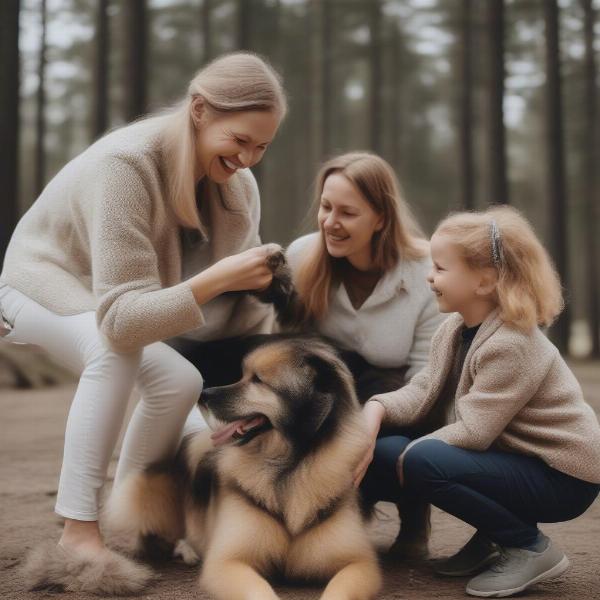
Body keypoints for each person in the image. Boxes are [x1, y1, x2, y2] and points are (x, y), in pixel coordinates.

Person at [0, 52, 287, 594]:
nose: (249, 159)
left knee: (179, 380)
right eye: (240, 139)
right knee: (114, 351)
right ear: (200, 110)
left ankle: (135, 519)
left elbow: (234, 313)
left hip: (111, 302)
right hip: (37, 284)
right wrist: (218, 278)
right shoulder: (127, 165)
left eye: (262, 146)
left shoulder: (239, 188)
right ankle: (78, 534)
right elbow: (122, 324)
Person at [358, 205, 600, 597]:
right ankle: (492, 537)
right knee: (384, 451)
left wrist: (414, 455)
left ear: (485, 282)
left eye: (440, 268)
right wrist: (376, 409)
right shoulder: (455, 328)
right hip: (519, 461)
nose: (429, 276)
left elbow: (475, 430)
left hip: (563, 478)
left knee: (421, 460)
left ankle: (527, 547)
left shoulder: (512, 343)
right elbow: (422, 391)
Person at [285, 152, 444, 556]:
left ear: (381, 218)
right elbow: (288, 346)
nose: (330, 222)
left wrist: (371, 422)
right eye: (325, 207)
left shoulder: (426, 270)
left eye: (348, 213)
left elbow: (428, 380)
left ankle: (412, 521)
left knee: (397, 443)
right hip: (333, 390)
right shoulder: (303, 256)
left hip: (403, 401)